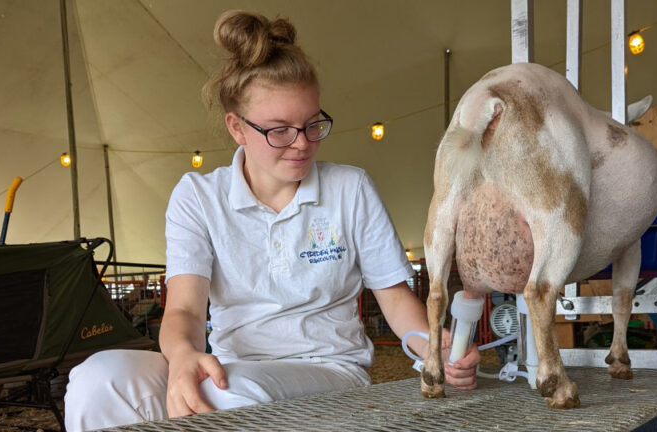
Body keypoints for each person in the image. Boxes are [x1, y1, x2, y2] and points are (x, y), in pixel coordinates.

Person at [63, 10, 480, 431]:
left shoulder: (349, 189)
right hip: (231, 367)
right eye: (280, 130)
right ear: (237, 128)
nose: (302, 144)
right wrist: (184, 358)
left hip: (329, 369)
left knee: (223, 393)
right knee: (98, 379)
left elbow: (393, 299)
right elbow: (186, 310)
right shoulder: (199, 197)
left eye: (312, 124)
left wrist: (433, 348)